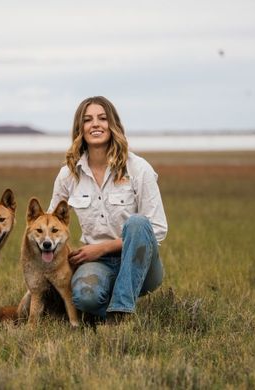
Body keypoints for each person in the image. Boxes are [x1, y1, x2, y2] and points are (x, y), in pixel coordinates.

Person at [48, 96, 168, 322]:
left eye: (102, 118)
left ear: (113, 125)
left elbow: (157, 229)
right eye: (88, 120)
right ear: (79, 128)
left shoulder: (138, 168)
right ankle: (116, 314)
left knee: (138, 223)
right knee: (84, 298)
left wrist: (102, 248)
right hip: (96, 265)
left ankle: (121, 309)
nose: (95, 124)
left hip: (140, 262)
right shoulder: (68, 174)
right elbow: (49, 222)